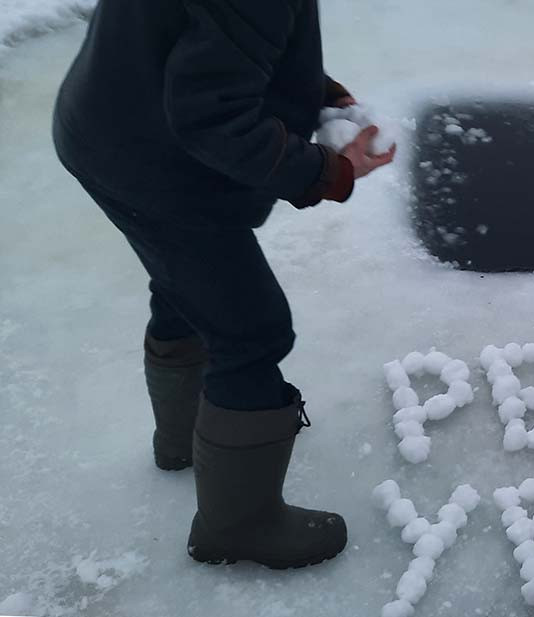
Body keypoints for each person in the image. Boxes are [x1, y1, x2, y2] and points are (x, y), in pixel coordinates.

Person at [52, 0, 394, 569]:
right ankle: (239, 527)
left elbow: (210, 38)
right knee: (250, 331)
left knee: (188, 288)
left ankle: (184, 439)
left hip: (114, 128)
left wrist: (314, 90)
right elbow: (213, 118)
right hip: (154, 165)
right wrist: (329, 170)